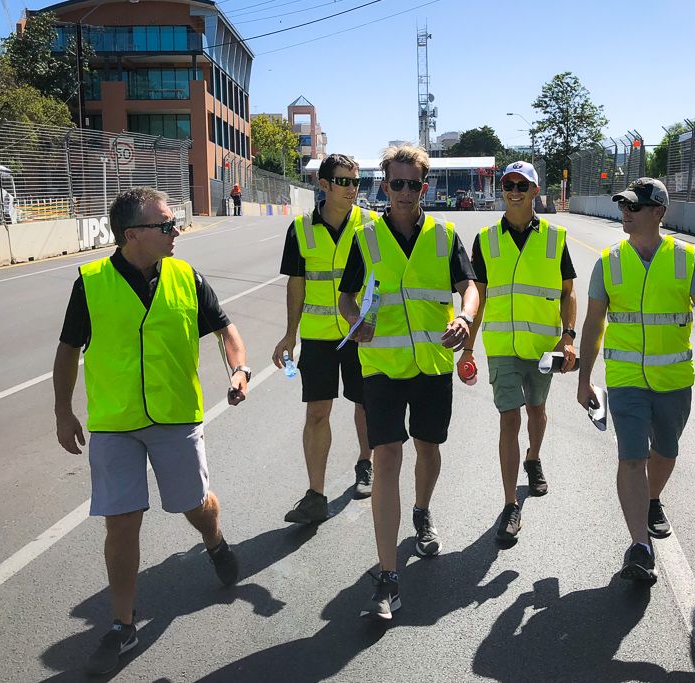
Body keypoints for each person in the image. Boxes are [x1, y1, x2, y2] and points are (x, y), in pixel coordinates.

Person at [53, 187, 249, 675]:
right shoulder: (91, 282)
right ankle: (123, 624)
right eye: (166, 225)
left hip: (175, 415)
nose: (176, 230)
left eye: (175, 222)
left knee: (193, 505)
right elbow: (67, 351)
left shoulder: (187, 276)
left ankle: (215, 541)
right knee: (121, 520)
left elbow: (226, 330)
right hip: (115, 422)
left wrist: (238, 369)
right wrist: (62, 411)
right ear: (132, 235)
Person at [338, 144, 479, 620]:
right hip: (381, 367)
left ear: (425, 186)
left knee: (428, 448)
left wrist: (465, 316)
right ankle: (388, 575)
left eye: (412, 183)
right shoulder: (368, 238)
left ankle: (421, 512)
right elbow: (345, 298)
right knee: (387, 456)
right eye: (394, 183)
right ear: (384, 185)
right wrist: (357, 321)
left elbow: (470, 286)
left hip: (434, 366)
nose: (403, 192)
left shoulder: (444, 235)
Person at [577, 178, 695, 583]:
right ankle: (639, 547)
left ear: (658, 212)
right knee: (631, 457)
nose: (626, 211)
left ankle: (653, 499)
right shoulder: (609, 261)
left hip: (674, 380)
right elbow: (594, 323)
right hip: (626, 378)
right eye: (624, 205)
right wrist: (585, 379)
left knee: (665, 451)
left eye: (635, 206)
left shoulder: (686, 259)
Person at [462, 160, 577, 543]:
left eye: (521, 185)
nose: (513, 190)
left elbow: (568, 292)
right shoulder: (486, 239)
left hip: (542, 347)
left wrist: (569, 337)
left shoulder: (555, 237)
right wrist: (467, 348)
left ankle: (533, 458)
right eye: (508, 184)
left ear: (534, 191)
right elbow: (476, 293)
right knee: (508, 419)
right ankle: (510, 505)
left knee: (538, 412)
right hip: (501, 347)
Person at [273, 154, 375, 523]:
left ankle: (366, 463)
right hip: (317, 339)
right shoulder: (300, 229)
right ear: (325, 184)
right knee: (317, 413)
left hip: (359, 333)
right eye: (344, 181)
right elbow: (296, 284)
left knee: (364, 404)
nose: (352, 189)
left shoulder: (370, 225)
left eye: (356, 182)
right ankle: (315, 494)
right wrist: (289, 334)